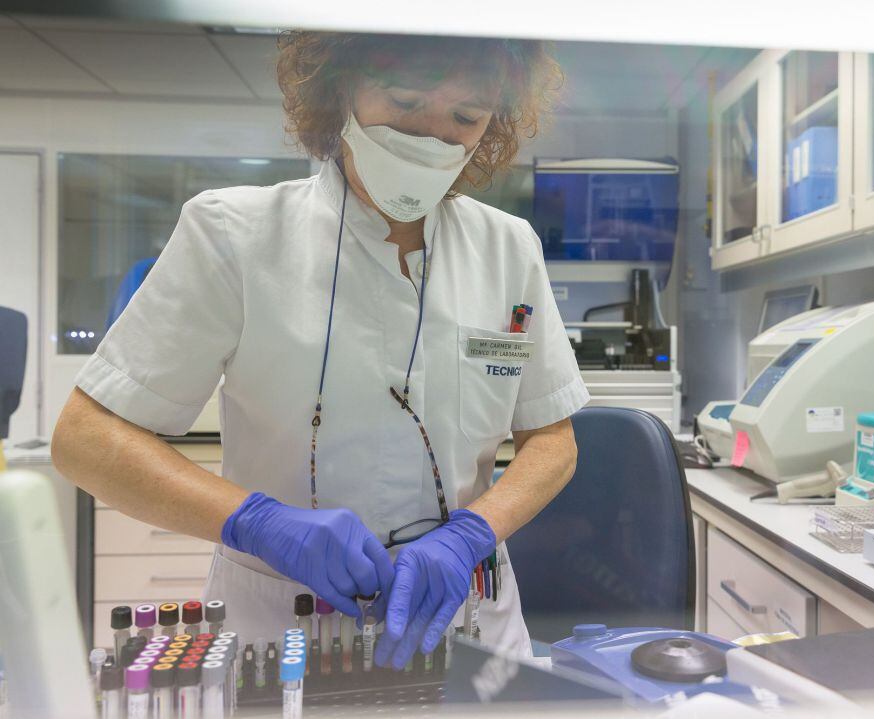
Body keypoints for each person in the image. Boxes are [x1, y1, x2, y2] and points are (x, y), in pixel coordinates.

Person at [52, 32, 587, 667]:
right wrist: (256, 521)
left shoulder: (509, 247)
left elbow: (552, 442)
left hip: (468, 624)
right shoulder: (235, 234)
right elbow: (85, 440)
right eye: (405, 101)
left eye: (465, 117)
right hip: (281, 631)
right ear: (341, 91)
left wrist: (475, 531)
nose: (431, 135)